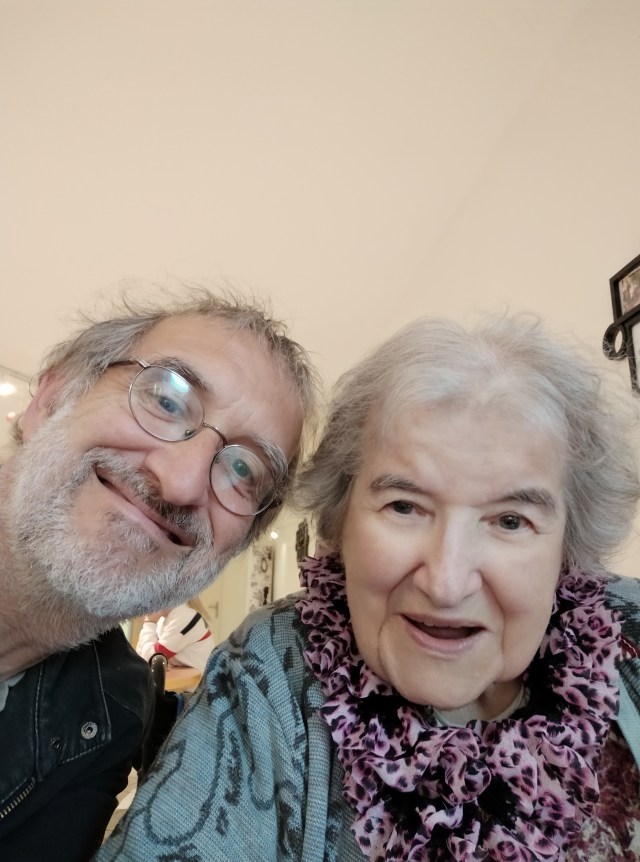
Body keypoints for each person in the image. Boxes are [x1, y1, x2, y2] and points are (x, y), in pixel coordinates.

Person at [96, 313, 640, 862]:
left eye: (510, 521)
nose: (447, 584)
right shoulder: (272, 668)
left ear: (568, 548)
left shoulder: (630, 626)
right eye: (404, 506)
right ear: (341, 526)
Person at [0, 285, 317, 862]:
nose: (181, 481)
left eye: (243, 470)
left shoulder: (113, 712)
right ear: (50, 398)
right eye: (168, 400)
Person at [136, 601, 214, 672]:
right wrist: (150, 622)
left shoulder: (183, 617)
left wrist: (149, 622)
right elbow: (140, 656)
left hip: (196, 681)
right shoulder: (163, 620)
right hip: (182, 678)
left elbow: (150, 660)